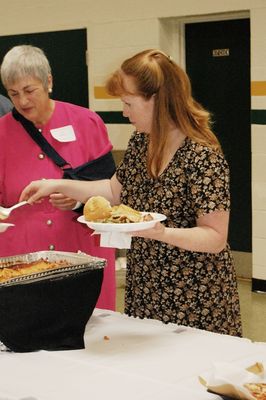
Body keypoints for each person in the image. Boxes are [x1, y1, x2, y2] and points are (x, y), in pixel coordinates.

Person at [20, 49, 242, 336]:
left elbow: (214, 238)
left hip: (195, 294)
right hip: (148, 287)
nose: (124, 112)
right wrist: (58, 184)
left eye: (128, 103)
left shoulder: (203, 155)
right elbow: (113, 191)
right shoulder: (141, 142)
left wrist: (162, 233)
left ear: (158, 101)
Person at [0, 44, 116, 310]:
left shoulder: (86, 123)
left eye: (30, 90)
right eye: (13, 93)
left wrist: (77, 201)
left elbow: (112, 194)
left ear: (48, 81)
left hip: (81, 256)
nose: (22, 102)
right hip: (23, 263)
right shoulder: (1, 134)